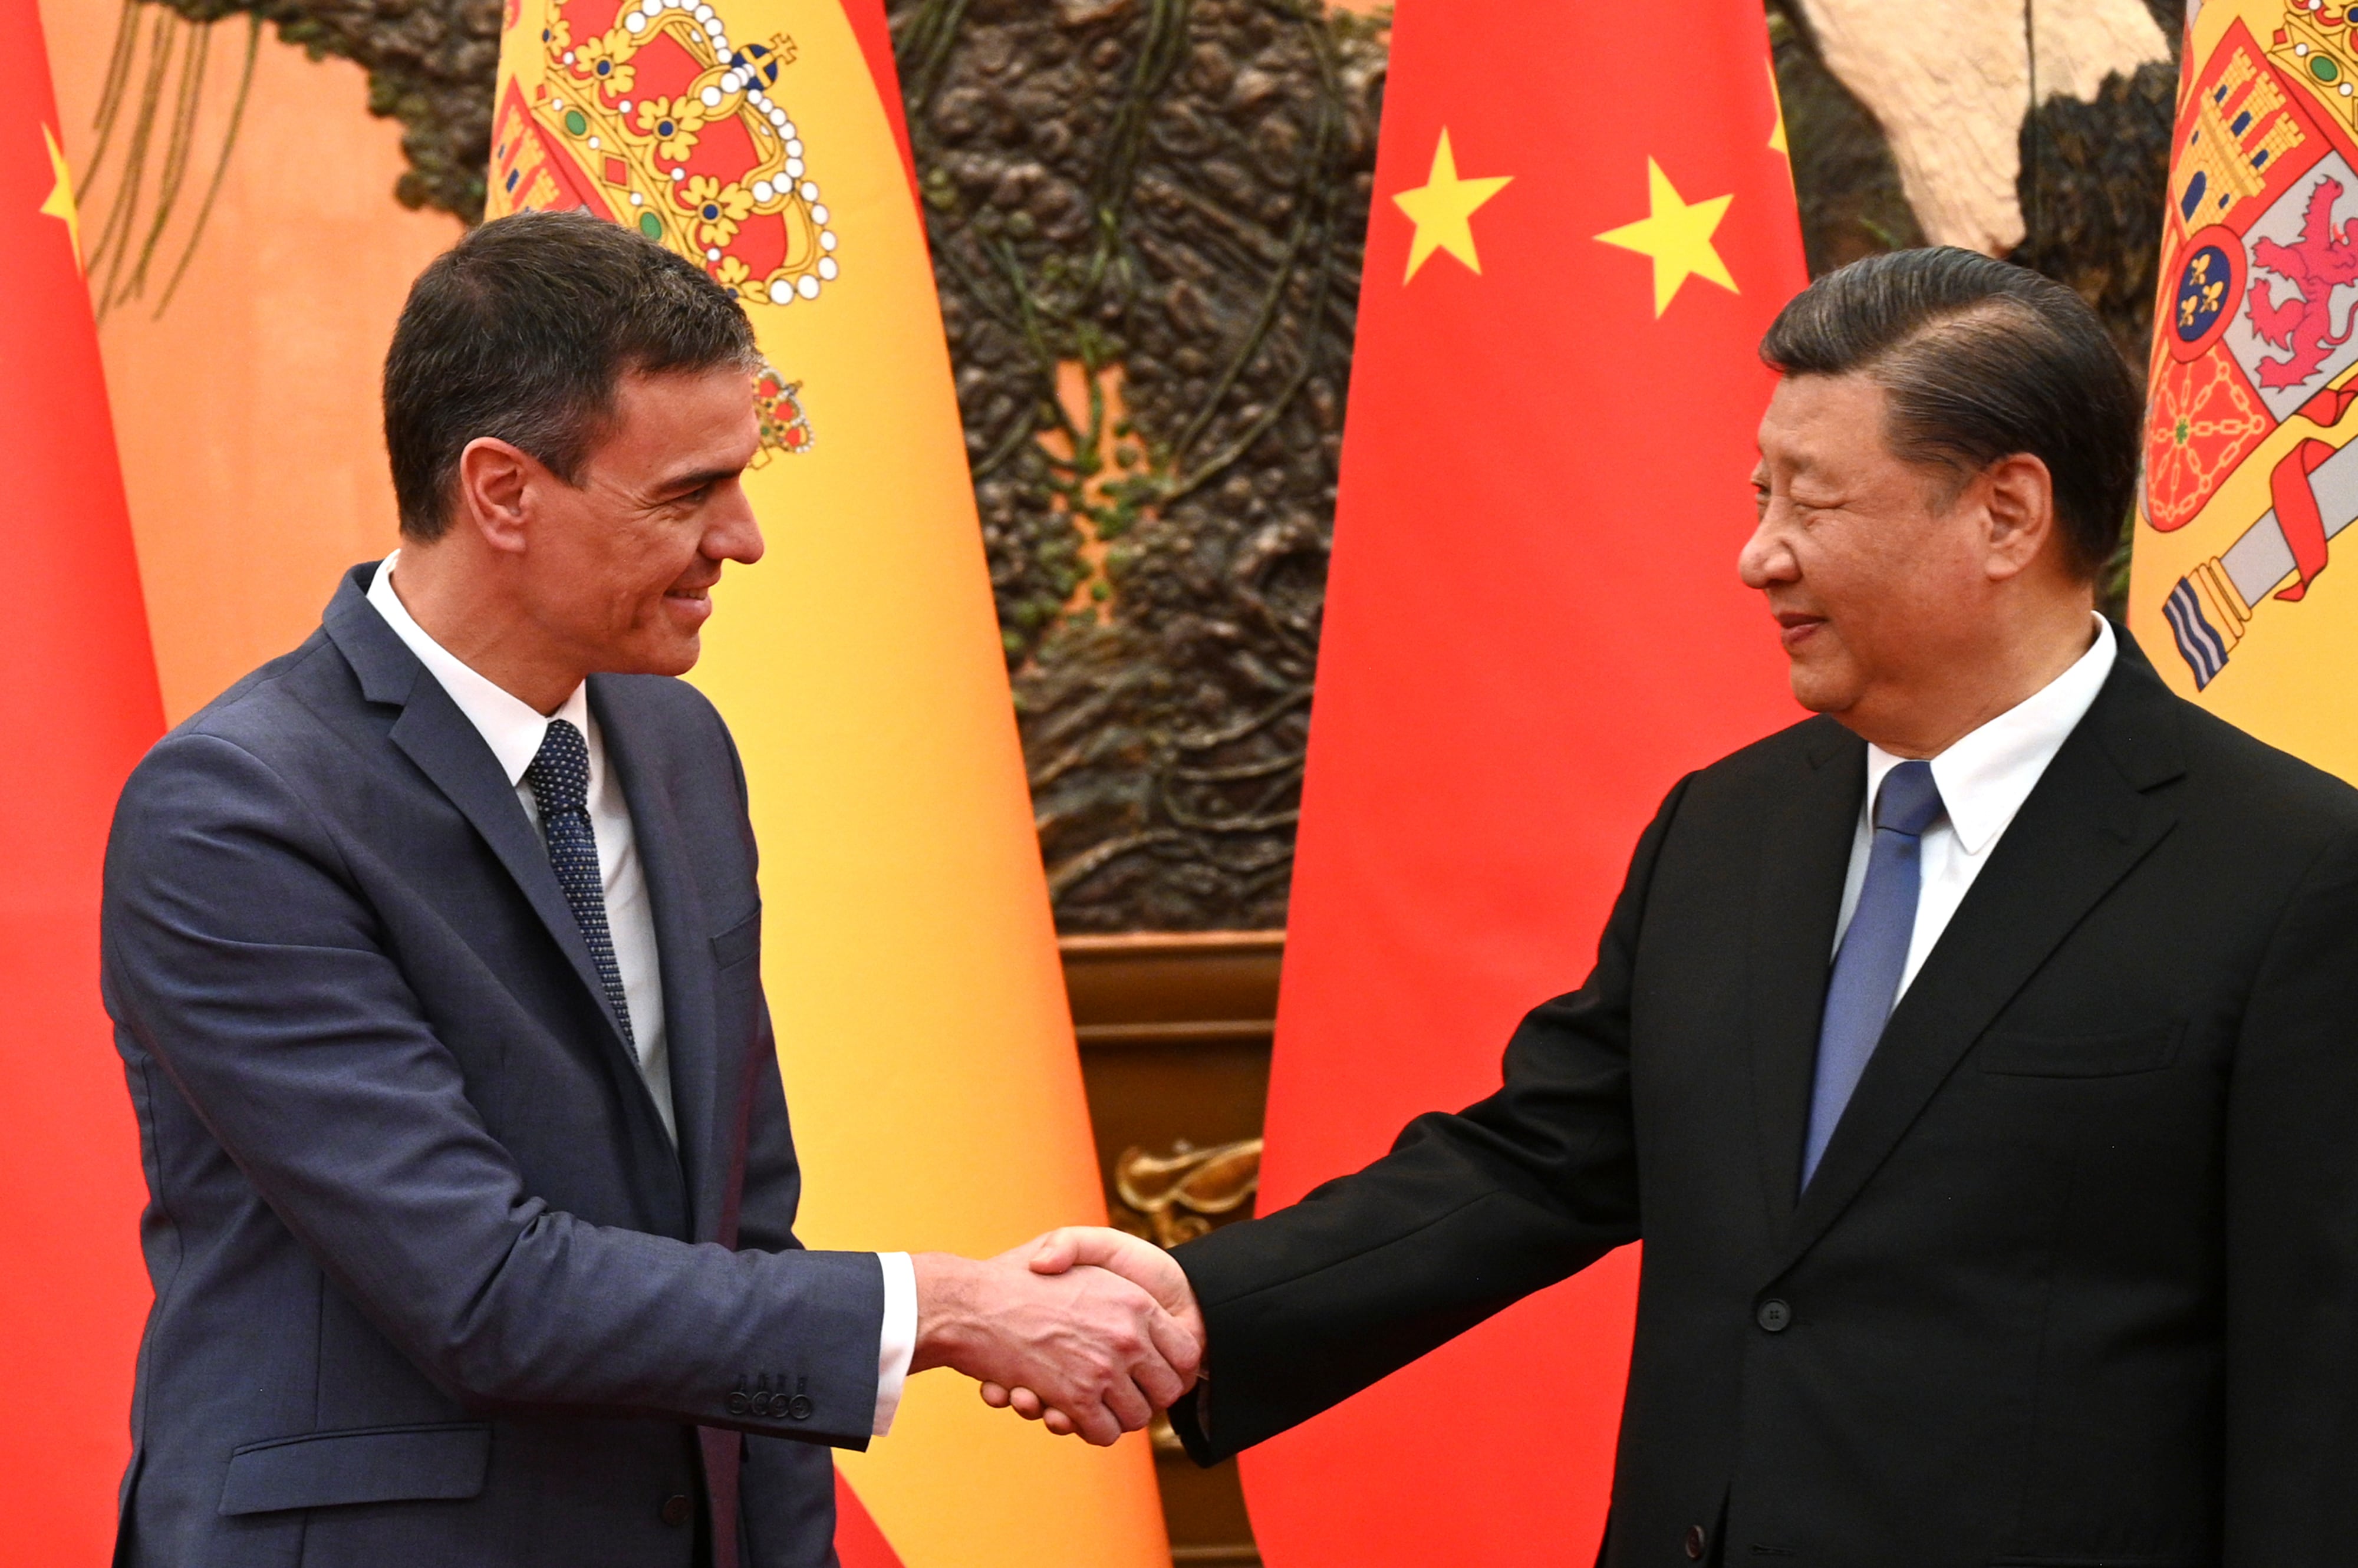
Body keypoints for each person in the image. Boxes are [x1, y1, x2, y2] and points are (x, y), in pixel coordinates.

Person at [989, 248, 2358, 1564]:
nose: (1755, 556)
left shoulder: (2287, 873)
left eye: (1806, 504)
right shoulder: (1729, 827)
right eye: (1754, 494)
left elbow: (2317, 1385)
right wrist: (1200, 1304)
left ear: (2003, 513)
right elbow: (1536, 1161)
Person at [100, 210, 1197, 1568]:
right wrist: (949, 1308)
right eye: (685, 495)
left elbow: (743, 1230)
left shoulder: (678, 750)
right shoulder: (236, 812)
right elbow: (481, 1285)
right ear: (502, 491)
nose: (739, 541)